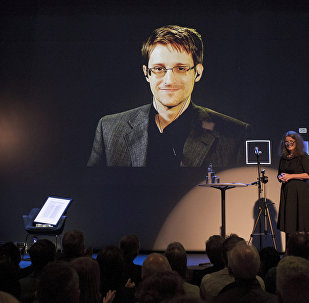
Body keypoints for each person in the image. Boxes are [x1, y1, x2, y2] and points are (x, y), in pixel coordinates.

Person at [87, 24, 250, 168]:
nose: (169, 80)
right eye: (159, 69)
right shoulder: (108, 129)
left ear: (198, 72)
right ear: (146, 73)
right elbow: (92, 193)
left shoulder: (234, 135)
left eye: (181, 68)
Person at [277, 131, 309, 244]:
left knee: (301, 223)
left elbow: (308, 174)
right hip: (287, 193)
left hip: (300, 194)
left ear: (297, 142)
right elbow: (279, 173)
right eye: (286, 142)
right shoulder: (284, 158)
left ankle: (303, 252)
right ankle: (289, 252)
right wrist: (280, 177)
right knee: (289, 224)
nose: (289, 144)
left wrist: (291, 176)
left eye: (291, 141)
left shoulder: (303, 156)